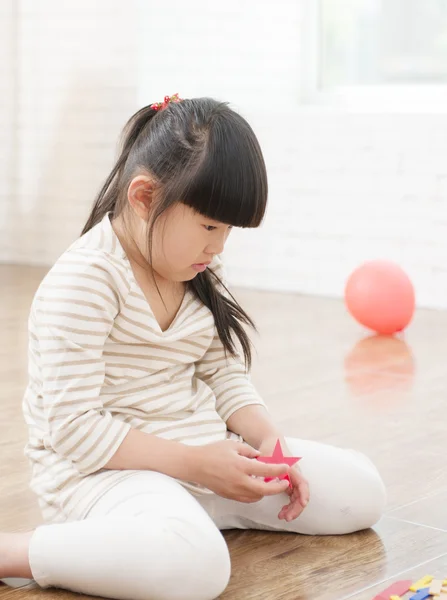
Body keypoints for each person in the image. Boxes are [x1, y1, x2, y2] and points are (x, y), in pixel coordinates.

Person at [0, 94, 386, 600]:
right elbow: (73, 429)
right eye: (209, 226)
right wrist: (197, 462)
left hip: (197, 456)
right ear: (143, 197)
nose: (219, 245)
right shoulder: (85, 281)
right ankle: (14, 550)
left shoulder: (198, 269)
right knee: (199, 569)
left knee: (362, 491)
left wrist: (269, 442)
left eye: (227, 230)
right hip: (102, 474)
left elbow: (224, 374)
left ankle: (175, 524)